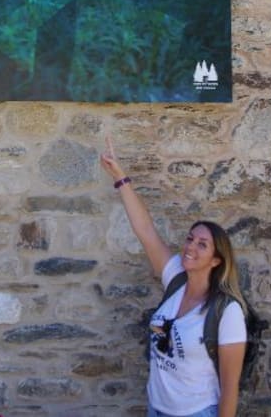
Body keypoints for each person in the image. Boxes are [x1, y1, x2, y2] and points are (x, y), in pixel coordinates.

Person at [100, 137, 247, 417]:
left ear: (217, 260)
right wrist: (121, 179)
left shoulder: (226, 311)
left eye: (202, 244)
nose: (191, 247)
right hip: (156, 409)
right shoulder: (176, 280)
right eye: (190, 239)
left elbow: (230, 388)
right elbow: (145, 230)